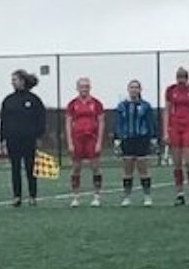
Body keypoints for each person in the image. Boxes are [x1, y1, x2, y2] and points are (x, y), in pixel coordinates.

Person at [0, 69, 46, 207]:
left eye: (15, 79)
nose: (12, 82)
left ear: (22, 81)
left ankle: (32, 196)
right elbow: (4, 121)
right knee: (15, 168)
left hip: (29, 139)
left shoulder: (34, 100)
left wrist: (38, 135)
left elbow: (41, 119)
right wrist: (2, 139)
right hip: (13, 140)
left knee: (30, 168)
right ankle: (17, 196)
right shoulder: (8, 100)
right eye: (12, 80)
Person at [163, 67, 189, 206]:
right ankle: (179, 194)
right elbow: (167, 111)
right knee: (177, 163)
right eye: (178, 77)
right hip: (175, 127)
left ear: (187, 78)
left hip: (188, 127)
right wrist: (165, 131)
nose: (180, 80)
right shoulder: (170, 90)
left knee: (188, 161)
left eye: (183, 78)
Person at [114, 80, 157, 207]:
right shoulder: (122, 106)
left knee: (143, 168)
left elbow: (151, 122)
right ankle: (127, 197)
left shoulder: (145, 106)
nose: (134, 90)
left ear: (140, 90)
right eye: (131, 87)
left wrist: (153, 137)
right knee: (128, 169)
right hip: (127, 139)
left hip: (142, 139)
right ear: (128, 90)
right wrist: (117, 138)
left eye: (136, 87)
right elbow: (118, 123)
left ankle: (147, 196)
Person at [66, 77, 105, 207]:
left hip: (92, 139)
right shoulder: (72, 104)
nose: (84, 88)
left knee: (95, 167)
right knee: (76, 168)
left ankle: (97, 196)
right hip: (77, 139)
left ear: (90, 87)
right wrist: (70, 142)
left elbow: (101, 122)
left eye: (86, 86)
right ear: (77, 88)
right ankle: (76, 197)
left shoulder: (96, 103)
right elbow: (68, 123)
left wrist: (99, 142)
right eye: (82, 86)